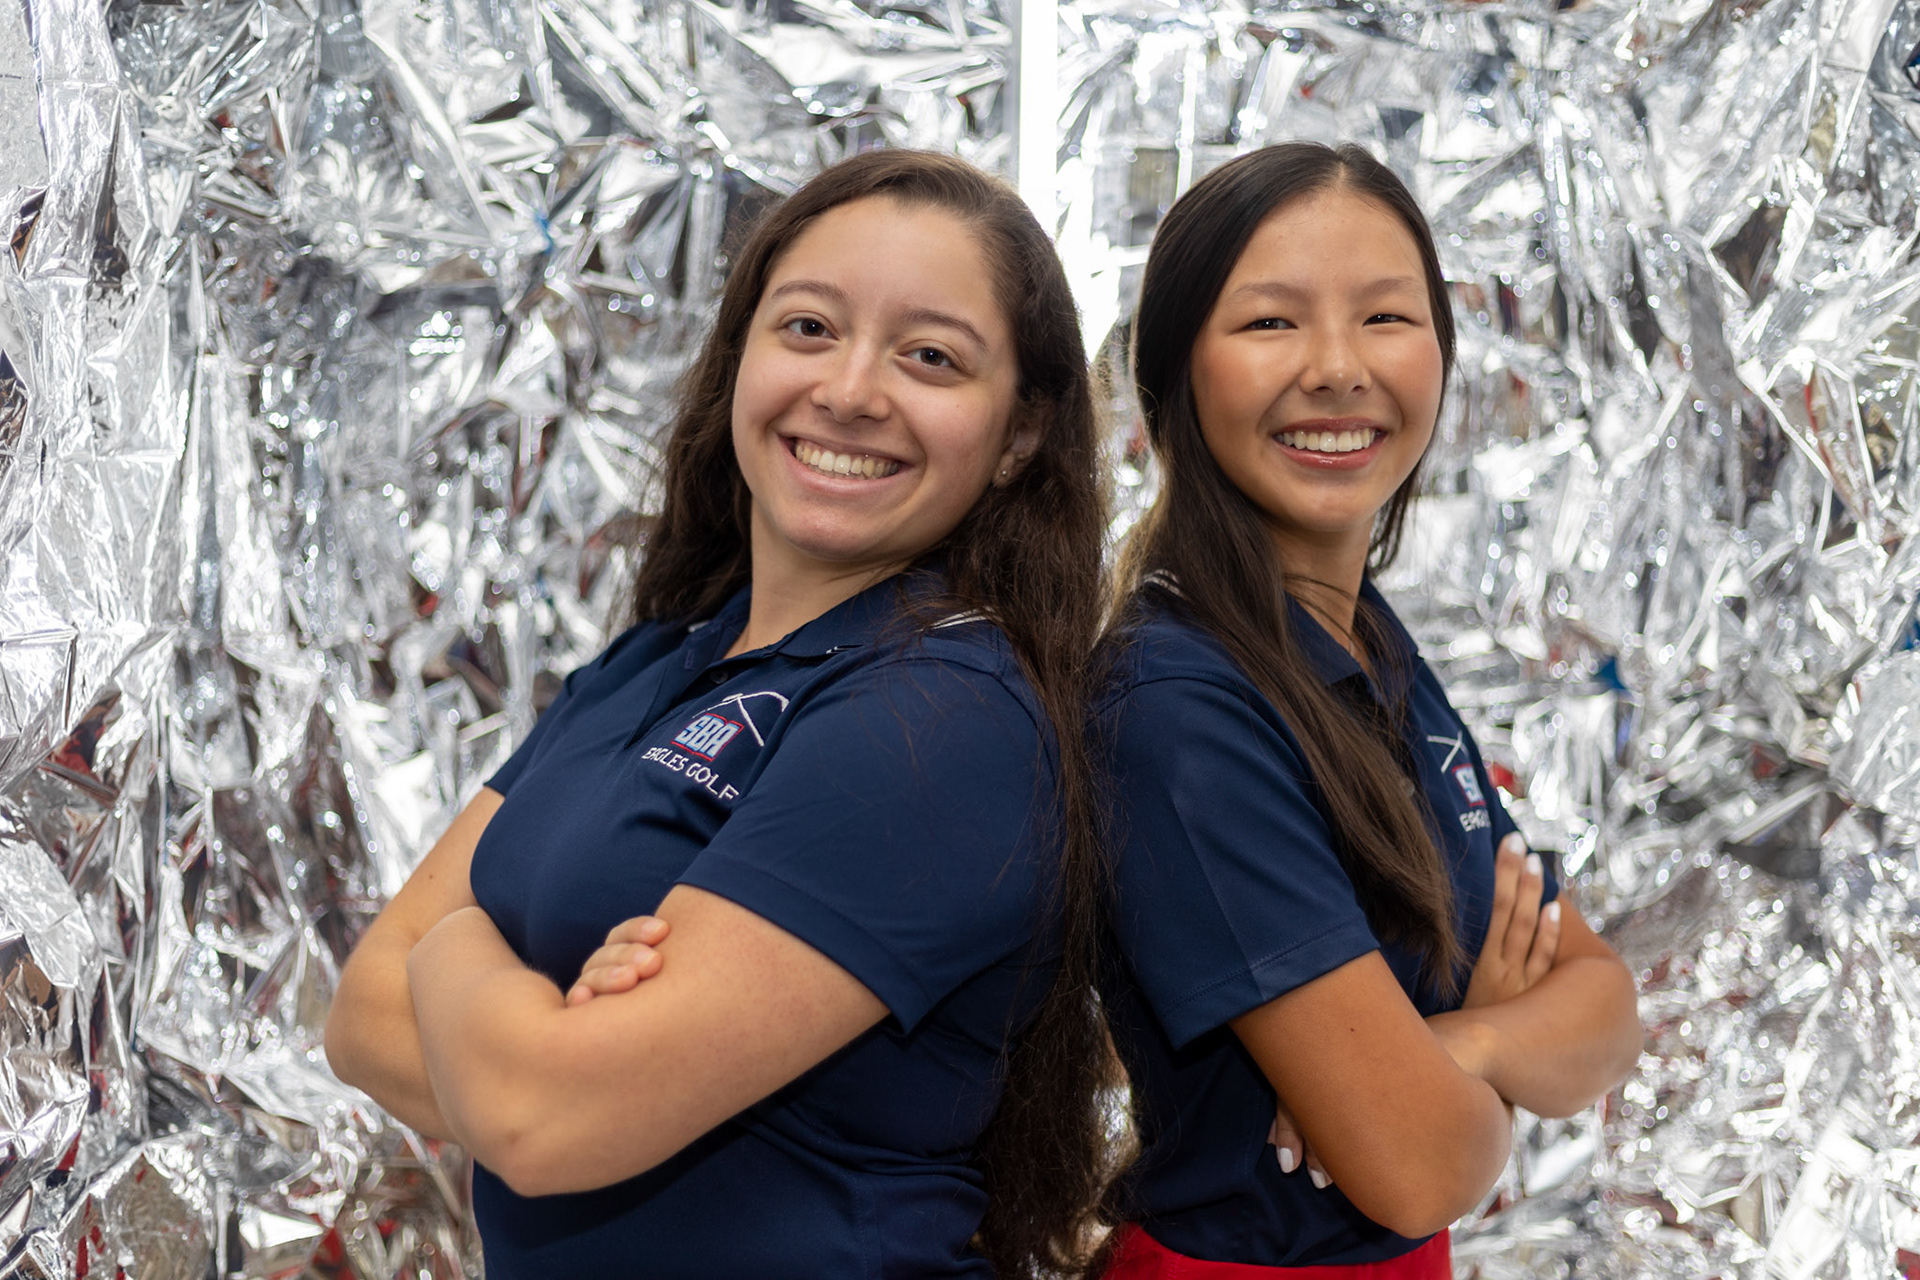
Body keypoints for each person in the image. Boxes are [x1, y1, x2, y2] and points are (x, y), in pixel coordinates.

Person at [323, 149, 1116, 1279]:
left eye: (930, 356)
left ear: (1021, 434)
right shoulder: (650, 665)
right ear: (738, 355)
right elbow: (361, 1012)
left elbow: (541, 1116)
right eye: (807, 327)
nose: (849, 389)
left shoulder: (947, 718)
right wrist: (535, 1029)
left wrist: (455, 945)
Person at [1094, 142, 1643, 1277]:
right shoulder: (1179, 704)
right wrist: (1476, 1084)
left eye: (1386, 317)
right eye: (1270, 323)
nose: (1339, 367)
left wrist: (1464, 1038)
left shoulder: (1365, 644)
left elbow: (1603, 1006)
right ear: (1174, 375)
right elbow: (1413, 1163)